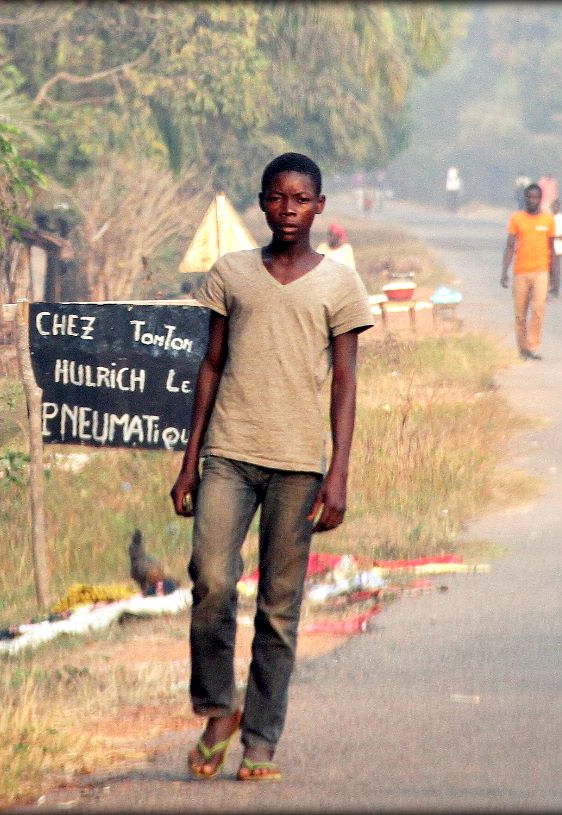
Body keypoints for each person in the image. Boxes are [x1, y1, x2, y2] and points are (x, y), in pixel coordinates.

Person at [171, 152, 374, 783]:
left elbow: (346, 381)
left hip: (297, 465)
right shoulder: (232, 272)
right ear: (261, 203)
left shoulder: (339, 283)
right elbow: (209, 365)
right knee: (210, 580)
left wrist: (338, 473)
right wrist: (188, 461)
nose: (288, 210)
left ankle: (260, 738)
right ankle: (218, 708)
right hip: (228, 452)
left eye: (301, 199)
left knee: (280, 609)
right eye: (277, 198)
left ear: (319, 205)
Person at [501, 182, 554, 361]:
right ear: (525, 198)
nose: (532, 200)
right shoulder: (517, 219)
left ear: (540, 199)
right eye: (529, 197)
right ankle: (522, 348)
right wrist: (504, 271)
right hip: (521, 271)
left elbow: (551, 248)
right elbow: (510, 246)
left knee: (538, 309)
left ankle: (533, 346)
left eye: (536, 197)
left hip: (541, 271)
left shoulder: (548, 220)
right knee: (520, 313)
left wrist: (554, 275)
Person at [549, 198, 562, 299]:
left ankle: (555, 289)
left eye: (556, 206)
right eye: (553, 206)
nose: (555, 208)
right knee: (548, 269)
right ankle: (548, 287)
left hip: (558, 247)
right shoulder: (547, 218)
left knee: (555, 269)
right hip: (547, 247)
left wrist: (555, 237)